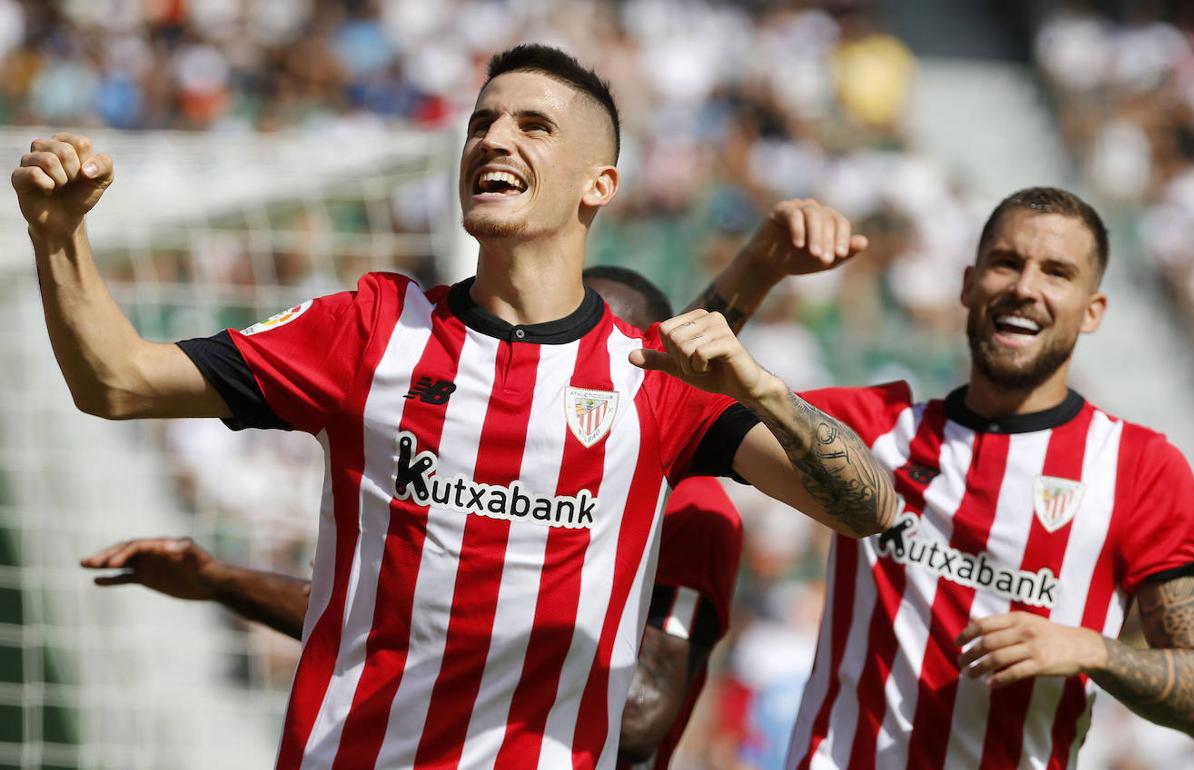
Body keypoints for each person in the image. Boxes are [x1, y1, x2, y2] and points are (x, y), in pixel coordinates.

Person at [14, 44, 896, 769]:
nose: (492, 138)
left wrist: (765, 391)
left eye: (532, 125)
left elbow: (870, 507)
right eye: (482, 122)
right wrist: (58, 236)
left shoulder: (650, 376)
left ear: (599, 185)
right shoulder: (368, 328)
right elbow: (118, 381)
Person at [79, 267, 745, 770]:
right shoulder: (483, 456)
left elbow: (638, 721)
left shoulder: (691, 512)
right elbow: (413, 626)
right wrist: (222, 581)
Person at [702, 186, 1194, 769]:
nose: (1025, 287)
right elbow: (670, 400)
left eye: (1057, 272)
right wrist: (759, 265)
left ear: (1093, 310)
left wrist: (1090, 649)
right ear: (968, 284)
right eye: (1007, 263)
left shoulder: (1139, 469)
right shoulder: (867, 431)